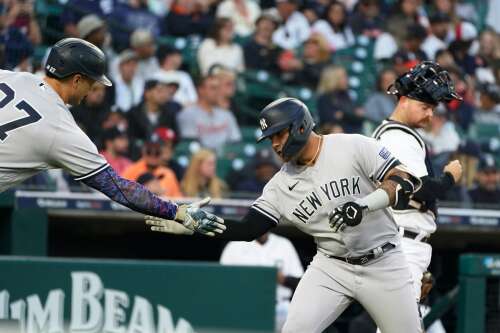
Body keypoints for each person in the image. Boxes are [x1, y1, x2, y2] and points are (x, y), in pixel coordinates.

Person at [146, 97, 426, 333]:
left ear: (301, 125)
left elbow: (404, 180)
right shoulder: (280, 185)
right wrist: (197, 226)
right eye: (271, 139)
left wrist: (365, 204)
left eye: (280, 134)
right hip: (332, 266)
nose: (276, 145)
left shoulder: (351, 145)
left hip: (384, 261)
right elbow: (248, 230)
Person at [0, 37, 224, 237]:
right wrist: (176, 212)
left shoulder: (10, 77)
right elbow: (119, 188)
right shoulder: (61, 129)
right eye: (92, 82)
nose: (93, 89)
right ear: (76, 80)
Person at [371, 61, 463, 322]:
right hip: (402, 241)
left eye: (432, 108)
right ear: (404, 100)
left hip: (401, 241)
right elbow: (420, 188)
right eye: (425, 107)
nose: (430, 115)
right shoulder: (398, 136)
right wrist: (448, 178)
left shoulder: (396, 134)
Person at [220, 231, 304, 331]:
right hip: (244, 308)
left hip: (279, 308)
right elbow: (222, 282)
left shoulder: (284, 244)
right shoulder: (234, 246)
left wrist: (282, 278)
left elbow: (301, 283)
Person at [176, 75, 242, 152]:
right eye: (213, 88)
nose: (217, 92)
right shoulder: (187, 114)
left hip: (225, 158)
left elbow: (235, 141)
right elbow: (191, 144)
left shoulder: (227, 114)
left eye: (218, 88)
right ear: (201, 90)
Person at [123, 134, 183, 198]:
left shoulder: (168, 174)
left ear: (162, 153)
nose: (153, 155)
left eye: (157, 152)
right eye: (149, 151)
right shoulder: (131, 171)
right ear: (143, 151)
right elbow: (122, 197)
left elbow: (178, 199)